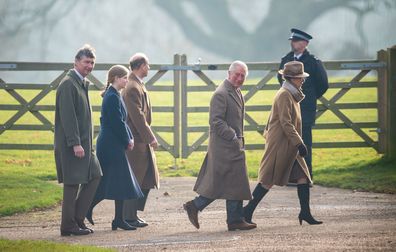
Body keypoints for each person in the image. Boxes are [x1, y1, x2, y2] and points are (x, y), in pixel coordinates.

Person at [244, 61, 323, 226]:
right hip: (281, 143)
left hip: (289, 143)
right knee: (269, 179)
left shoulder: (292, 93)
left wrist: (296, 143)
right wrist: (300, 143)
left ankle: (305, 212)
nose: (302, 80)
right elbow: (286, 123)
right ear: (291, 78)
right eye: (300, 78)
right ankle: (247, 211)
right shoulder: (285, 95)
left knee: (303, 177)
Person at [183, 61, 256, 231]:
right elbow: (215, 121)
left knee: (235, 182)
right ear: (229, 73)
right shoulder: (221, 94)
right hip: (224, 146)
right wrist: (232, 136)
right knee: (222, 183)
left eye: (242, 76)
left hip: (232, 145)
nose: (239, 78)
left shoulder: (236, 91)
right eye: (237, 74)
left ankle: (235, 219)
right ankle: (194, 206)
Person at [86, 65, 144, 231]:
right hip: (110, 145)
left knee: (119, 181)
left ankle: (117, 219)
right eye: (125, 77)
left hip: (114, 143)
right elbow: (116, 123)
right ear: (116, 78)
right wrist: (127, 140)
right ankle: (86, 208)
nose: (127, 80)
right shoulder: (111, 96)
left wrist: (129, 137)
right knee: (110, 181)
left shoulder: (115, 94)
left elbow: (122, 121)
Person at [54, 44, 102, 236]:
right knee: (72, 184)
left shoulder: (81, 83)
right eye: (86, 62)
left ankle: (77, 218)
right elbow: (68, 117)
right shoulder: (68, 84)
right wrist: (75, 143)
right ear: (76, 62)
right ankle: (67, 226)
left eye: (92, 63)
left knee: (95, 174)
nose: (89, 66)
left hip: (86, 146)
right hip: (72, 146)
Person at [278, 28, 328, 180]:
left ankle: (306, 176)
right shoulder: (286, 59)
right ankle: (290, 176)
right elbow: (280, 80)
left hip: (305, 109)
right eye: (292, 40)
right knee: (289, 140)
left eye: (297, 41)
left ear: (305, 43)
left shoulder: (313, 62)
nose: (293, 43)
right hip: (288, 107)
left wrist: (309, 98)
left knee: (305, 142)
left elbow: (322, 84)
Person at [122, 53, 160, 228]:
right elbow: (137, 117)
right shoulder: (132, 87)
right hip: (135, 141)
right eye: (148, 64)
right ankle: (128, 217)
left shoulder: (137, 85)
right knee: (135, 179)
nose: (149, 68)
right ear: (141, 66)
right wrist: (150, 137)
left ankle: (132, 215)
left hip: (140, 141)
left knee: (144, 178)